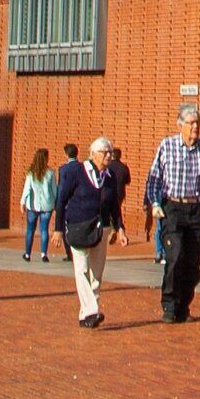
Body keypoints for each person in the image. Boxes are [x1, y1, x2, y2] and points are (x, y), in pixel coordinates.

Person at [146, 105, 200, 324]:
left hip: (196, 209)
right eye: (191, 123)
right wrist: (155, 203)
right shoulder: (167, 146)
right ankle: (169, 305)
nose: (195, 127)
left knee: (192, 262)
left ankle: (183, 307)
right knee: (175, 256)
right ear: (180, 125)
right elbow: (154, 178)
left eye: (197, 122)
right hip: (173, 208)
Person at [50, 138, 127, 329]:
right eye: (104, 152)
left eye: (110, 152)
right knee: (81, 269)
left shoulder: (110, 176)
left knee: (96, 273)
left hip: (102, 228)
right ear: (93, 154)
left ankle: (86, 315)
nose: (108, 155)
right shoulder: (76, 172)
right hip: (79, 227)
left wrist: (120, 228)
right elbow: (61, 200)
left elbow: (114, 205)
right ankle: (92, 310)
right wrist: (58, 229)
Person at [18, 148, 56, 263]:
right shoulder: (50, 173)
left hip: (33, 205)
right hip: (47, 205)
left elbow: (27, 189)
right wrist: (56, 203)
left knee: (30, 230)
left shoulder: (31, 173)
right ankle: (44, 254)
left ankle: (27, 254)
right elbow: (54, 189)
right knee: (44, 229)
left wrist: (22, 202)